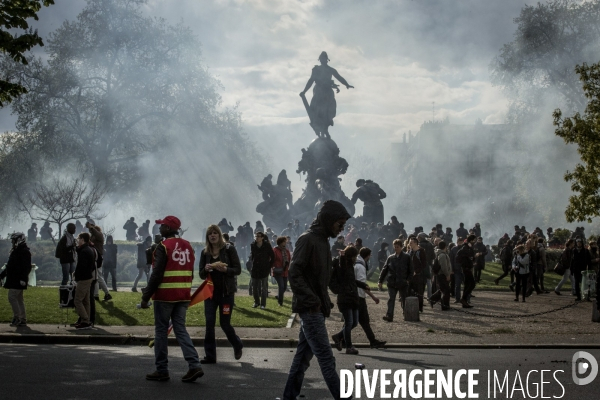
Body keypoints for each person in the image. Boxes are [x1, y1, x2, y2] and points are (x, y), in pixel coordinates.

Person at [283, 200, 351, 400]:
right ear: (328, 220)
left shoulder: (322, 241)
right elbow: (294, 273)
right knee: (326, 360)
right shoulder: (308, 240)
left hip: (315, 309)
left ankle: (289, 396)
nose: (342, 229)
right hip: (310, 310)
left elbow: (320, 278)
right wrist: (313, 300)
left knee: (302, 358)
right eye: (340, 224)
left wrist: (329, 296)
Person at [140, 216, 204, 382]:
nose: (159, 228)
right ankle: (194, 365)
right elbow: (190, 271)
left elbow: (156, 274)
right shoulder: (188, 246)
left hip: (165, 295)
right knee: (180, 329)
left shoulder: (163, 246)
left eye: (162, 226)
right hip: (183, 295)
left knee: (161, 331)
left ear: (168, 228)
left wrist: (145, 296)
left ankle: (162, 369)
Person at [198, 224, 243, 364]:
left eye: (214, 233)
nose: (212, 236)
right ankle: (210, 356)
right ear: (207, 237)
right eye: (210, 234)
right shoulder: (205, 253)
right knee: (209, 323)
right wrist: (205, 269)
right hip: (210, 294)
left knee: (225, 324)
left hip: (226, 293)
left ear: (219, 235)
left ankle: (237, 344)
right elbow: (200, 274)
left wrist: (226, 270)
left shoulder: (229, 249)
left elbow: (238, 269)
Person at [330, 246, 363, 355]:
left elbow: (352, 281)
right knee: (349, 322)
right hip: (345, 297)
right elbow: (342, 269)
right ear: (351, 256)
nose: (356, 258)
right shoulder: (343, 265)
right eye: (355, 256)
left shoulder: (350, 266)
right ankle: (348, 346)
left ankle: (338, 336)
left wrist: (363, 285)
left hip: (352, 296)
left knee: (354, 322)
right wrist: (343, 257)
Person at [354, 247, 386, 348]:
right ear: (367, 256)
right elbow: (362, 284)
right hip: (359, 296)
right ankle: (340, 337)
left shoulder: (357, 264)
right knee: (359, 321)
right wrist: (373, 297)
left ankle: (372, 340)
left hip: (356, 295)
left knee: (358, 321)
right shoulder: (361, 267)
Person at [1, 233, 32, 327]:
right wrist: (2, 275)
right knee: (19, 299)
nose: (12, 242)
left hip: (18, 279)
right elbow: (10, 266)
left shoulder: (23, 251)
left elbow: (26, 267)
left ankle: (17, 317)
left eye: (13, 240)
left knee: (12, 297)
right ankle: (22, 318)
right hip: (16, 278)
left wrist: (23, 278)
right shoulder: (18, 250)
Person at [378, 238, 412, 321]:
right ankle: (389, 316)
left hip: (402, 281)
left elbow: (411, 270)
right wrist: (380, 280)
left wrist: (408, 279)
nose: (396, 248)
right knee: (391, 299)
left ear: (401, 247)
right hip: (392, 282)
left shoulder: (407, 257)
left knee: (404, 299)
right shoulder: (391, 257)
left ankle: (406, 314)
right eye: (395, 247)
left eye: (397, 247)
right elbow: (385, 269)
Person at [73, 232, 96, 329]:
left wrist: (76, 275)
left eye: (79, 239)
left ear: (82, 240)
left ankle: (85, 320)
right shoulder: (89, 250)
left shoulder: (84, 251)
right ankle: (86, 321)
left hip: (83, 278)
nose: (77, 241)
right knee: (86, 301)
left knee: (77, 300)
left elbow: (81, 266)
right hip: (88, 277)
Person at [249, 231, 274, 309]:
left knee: (264, 288)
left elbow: (272, 256)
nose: (257, 237)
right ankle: (256, 302)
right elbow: (252, 256)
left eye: (258, 236)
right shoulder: (253, 245)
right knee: (254, 287)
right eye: (256, 236)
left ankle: (263, 304)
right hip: (255, 268)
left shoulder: (267, 245)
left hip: (264, 268)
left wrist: (269, 265)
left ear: (262, 237)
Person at [88, 222, 111, 301]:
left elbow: (96, 234)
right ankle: (96, 294)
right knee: (96, 277)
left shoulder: (99, 235)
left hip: (98, 258)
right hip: (95, 257)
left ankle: (107, 293)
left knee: (99, 277)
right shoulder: (94, 236)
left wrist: (92, 228)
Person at [429, 241, 451, 310]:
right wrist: (447, 274)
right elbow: (443, 266)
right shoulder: (442, 255)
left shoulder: (441, 254)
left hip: (441, 274)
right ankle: (445, 306)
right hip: (442, 275)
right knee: (446, 291)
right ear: (445, 246)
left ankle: (433, 299)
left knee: (442, 289)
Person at [456, 234, 477, 308]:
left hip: (467, 267)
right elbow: (459, 256)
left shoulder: (468, 247)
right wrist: (465, 262)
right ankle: (463, 298)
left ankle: (464, 301)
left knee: (467, 285)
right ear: (471, 240)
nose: (475, 241)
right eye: (474, 240)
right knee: (472, 284)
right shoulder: (465, 247)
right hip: (466, 268)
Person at [409, 236, 427, 312]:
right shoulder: (410, 252)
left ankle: (419, 308)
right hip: (411, 276)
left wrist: (416, 271)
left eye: (411, 243)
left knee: (419, 292)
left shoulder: (421, 252)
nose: (409, 244)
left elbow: (424, 264)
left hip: (419, 276)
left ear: (416, 243)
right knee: (411, 292)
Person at [272, 236, 291, 306]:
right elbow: (272, 260)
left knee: (285, 286)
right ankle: (280, 302)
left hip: (285, 271)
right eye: (284, 242)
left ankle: (279, 296)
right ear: (280, 242)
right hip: (278, 271)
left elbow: (289, 259)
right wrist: (274, 266)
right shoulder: (275, 250)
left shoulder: (286, 251)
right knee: (281, 286)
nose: (285, 243)